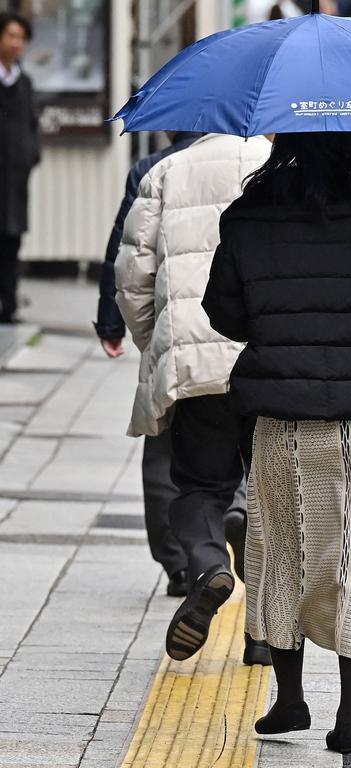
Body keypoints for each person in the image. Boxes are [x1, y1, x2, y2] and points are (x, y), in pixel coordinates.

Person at [203, 132, 351, 754]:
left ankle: (289, 699)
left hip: (280, 418)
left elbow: (223, 312)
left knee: (282, 553)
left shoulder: (250, 215)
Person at [115, 133, 273, 666]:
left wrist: (157, 346)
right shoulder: (276, 164)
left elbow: (134, 279)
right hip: (266, 361)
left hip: (193, 362)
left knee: (199, 486)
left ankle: (208, 564)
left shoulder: (165, 172)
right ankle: (264, 635)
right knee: (271, 499)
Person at [96, 131, 201, 598]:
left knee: (162, 449)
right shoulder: (260, 161)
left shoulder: (152, 171)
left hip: (170, 328)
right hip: (238, 334)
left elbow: (125, 260)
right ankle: (229, 525)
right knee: (241, 442)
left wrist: (124, 327)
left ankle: (178, 564)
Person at [0, 12, 39, 324]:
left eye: (21, 38)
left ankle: (9, 305)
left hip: (14, 178)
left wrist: (30, 155)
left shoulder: (24, 83)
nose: (16, 43)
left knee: (12, 240)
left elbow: (32, 126)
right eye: (10, 35)